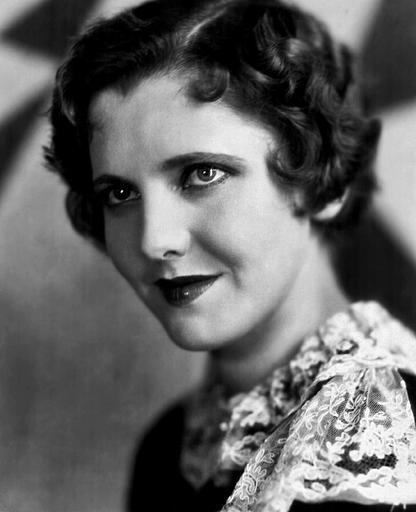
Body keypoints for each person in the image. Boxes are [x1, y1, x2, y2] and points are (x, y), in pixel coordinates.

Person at [44, 0, 416, 510]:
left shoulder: (390, 436)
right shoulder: (171, 446)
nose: (154, 240)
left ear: (322, 182)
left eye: (202, 174)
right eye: (120, 193)